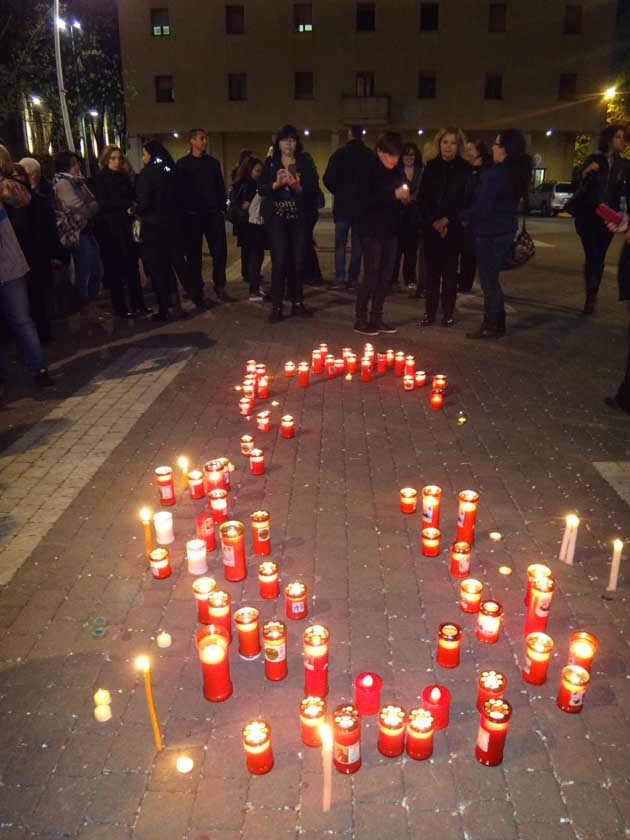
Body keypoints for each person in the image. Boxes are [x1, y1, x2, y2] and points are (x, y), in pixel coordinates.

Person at [465, 130, 532, 339]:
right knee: (491, 278)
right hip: (505, 230)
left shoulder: (497, 174)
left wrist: (464, 217)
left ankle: (492, 323)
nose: (492, 147)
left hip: (490, 232)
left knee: (488, 280)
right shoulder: (515, 173)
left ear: (505, 149)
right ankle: (497, 322)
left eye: (496, 144)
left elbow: (484, 207)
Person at [0, 146, 52, 388]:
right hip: (12, 263)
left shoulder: (8, 186)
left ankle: (39, 368)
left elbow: (23, 199)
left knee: (21, 319)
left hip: (10, 264)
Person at [258, 124, 319, 322]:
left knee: (298, 260)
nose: (288, 144)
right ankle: (277, 306)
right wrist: (276, 184)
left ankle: (297, 302)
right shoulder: (271, 162)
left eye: (292, 140)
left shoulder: (305, 161)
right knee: (279, 260)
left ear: (297, 143)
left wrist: (296, 185)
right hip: (277, 216)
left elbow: (313, 188)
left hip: (299, 217)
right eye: (285, 140)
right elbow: (261, 188)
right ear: (278, 143)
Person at [353, 131, 409, 336]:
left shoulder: (397, 170)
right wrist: (392, 194)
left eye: (397, 155)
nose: (394, 160)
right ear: (380, 152)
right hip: (371, 230)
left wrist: (404, 199)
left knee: (386, 275)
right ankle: (360, 318)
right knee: (371, 273)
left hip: (391, 229)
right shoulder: (367, 169)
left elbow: (402, 196)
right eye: (390, 155)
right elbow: (364, 201)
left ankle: (376, 317)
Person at [572, 125, 630, 315]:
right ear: (609, 139)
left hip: (609, 217)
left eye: (623, 137)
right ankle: (590, 298)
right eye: (618, 137)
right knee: (592, 254)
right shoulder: (594, 159)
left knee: (600, 256)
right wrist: (587, 170)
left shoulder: (624, 165)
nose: (622, 140)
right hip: (589, 215)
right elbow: (576, 181)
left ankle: (592, 295)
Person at [418, 126, 471, 327]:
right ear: (439, 144)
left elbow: (466, 200)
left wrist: (447, 220)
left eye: (453, 143)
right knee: (431, 273)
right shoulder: (431, 167)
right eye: (445, 142)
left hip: (453, 228)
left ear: (459, 146)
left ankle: (448, 312)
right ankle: (429, 312)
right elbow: (423, 199)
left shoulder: (465, 169)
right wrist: (434, 221)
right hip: (432, 228)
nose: (448, 147)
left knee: (450, 273)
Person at [177, 129, 231, 303]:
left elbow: (220, 186)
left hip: (213, 214)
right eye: (201, 138)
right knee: (194, 254)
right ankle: (196, 289)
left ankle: (220, 286)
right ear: (192, 141)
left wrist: (222, 208)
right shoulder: (183, 164)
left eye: (205, 138)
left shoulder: (212, 163)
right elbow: (179, 191)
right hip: (193, 216)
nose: (205, 141)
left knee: (219, 252)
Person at [94, 145, 148, 318]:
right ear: (106, 160)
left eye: (119, 158)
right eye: (113, 158)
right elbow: (104, 202)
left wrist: (132, 205)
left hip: (126, 225)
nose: (117, 161)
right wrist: (126, 205)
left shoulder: (123, 176)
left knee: (132, 265)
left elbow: (132, 196)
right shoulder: (101, 178)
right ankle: (121, 308)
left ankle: (138, 303)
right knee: (116, 267)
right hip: (111, 228)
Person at [135, 139, 183, 321]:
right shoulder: (170, 172)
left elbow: (144, 202)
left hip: (153, 229)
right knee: (170, 268)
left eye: (144, 154)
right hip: (171, 227)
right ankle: (175, 304)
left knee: (157, 269)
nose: (143, 158)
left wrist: (134, 209)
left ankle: (164, 307)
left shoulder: (147, 174)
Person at [52, 150, 102, 324]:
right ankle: (85, 307)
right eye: (74, 163)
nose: (77, 166)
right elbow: (80, 207)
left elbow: (94, 202)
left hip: (86, 230)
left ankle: (91, 306)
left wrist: (90, 207)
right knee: (85, 270)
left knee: (95, 268)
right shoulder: (64, 183)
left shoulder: (78, 181)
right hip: (77, 232)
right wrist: (89, 208)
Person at [323, 125, 373, 290]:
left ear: (349, 134)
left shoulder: (339, 155)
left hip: (343, 206)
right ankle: (353, 278)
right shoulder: (369, 155)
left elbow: (327, 178)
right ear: (362, 135)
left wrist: (339, 191)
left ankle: (340, 278)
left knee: (340, 245)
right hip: (362, 208)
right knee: (358, 246)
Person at [458, 140, 492, 294]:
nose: (467, 152)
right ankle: (464, 282)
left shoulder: (484, 173)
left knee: (470, 254)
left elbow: (479, 199)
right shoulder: (469, 171)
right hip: (466, 219)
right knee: (466, 254)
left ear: (479, 152)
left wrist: (467, 216)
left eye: (470, 149)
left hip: (474, 221)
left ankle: (466, 284)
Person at [232, 157, 265, 301]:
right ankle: (254, 290)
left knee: (253, 256)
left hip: (246, 225)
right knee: (256, 257)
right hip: (252, 224)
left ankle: (254, 286)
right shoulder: (250, 185)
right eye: (257, 171)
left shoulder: (239, 183)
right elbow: (246, 205)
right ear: (249, 170)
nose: (259, 174)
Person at [392, 142, 423, 291]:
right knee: (396, 249)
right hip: (398, 214)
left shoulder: (420, 171)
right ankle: (392, 279)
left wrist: (412, 198)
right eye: (406, 154)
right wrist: (401, 198)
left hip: (414, 215)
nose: (409, 157)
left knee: (411, 249)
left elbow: (423, 189)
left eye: (411, 155)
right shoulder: (396, 171)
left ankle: (410, 278)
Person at [230, 149, 254, 284]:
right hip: (245, 216)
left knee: (247, 246)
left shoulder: (238, 176)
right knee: (249, 246)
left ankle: (247, 272)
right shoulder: (245, 181)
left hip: (242, 217)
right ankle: (248, 272)